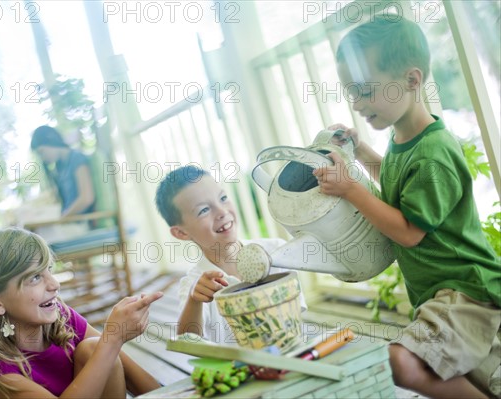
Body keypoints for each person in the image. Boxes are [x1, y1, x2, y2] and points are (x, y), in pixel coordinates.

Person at [313, 15, 500, 398]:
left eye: (365, 90)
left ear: (412, 81)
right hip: (443, 294)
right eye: (351, 92)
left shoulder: (433, 153)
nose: (357, 103)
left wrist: (351, 189)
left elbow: (408, 231)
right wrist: (362, 152)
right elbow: (400, 189)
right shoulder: (405, 137)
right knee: (469, 374)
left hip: (464, 290)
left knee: (403, 361)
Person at [0, 227, 163, 398]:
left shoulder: (61, 316)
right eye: (35, 277)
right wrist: (113, 339)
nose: (54, 284)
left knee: (93, 348)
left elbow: (134, 376)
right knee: (102, 347)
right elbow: (109, 346)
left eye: (50, 270)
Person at [155, 165, 307, 345]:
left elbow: (296, 315)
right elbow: (187, 341)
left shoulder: (276, 251)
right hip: (240, 371)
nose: (221, 212)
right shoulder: (195, 286)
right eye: (204, 210)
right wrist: (194, 301)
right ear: (181, 233)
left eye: (223, 198)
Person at [30, 125, 95, 217]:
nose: (42, 158)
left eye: (41, 152)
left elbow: (87, 198)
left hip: (81, 221)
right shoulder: (60, 167)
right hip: (70, 221)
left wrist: (64, 217)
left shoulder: (77, 158)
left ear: (51, 142)